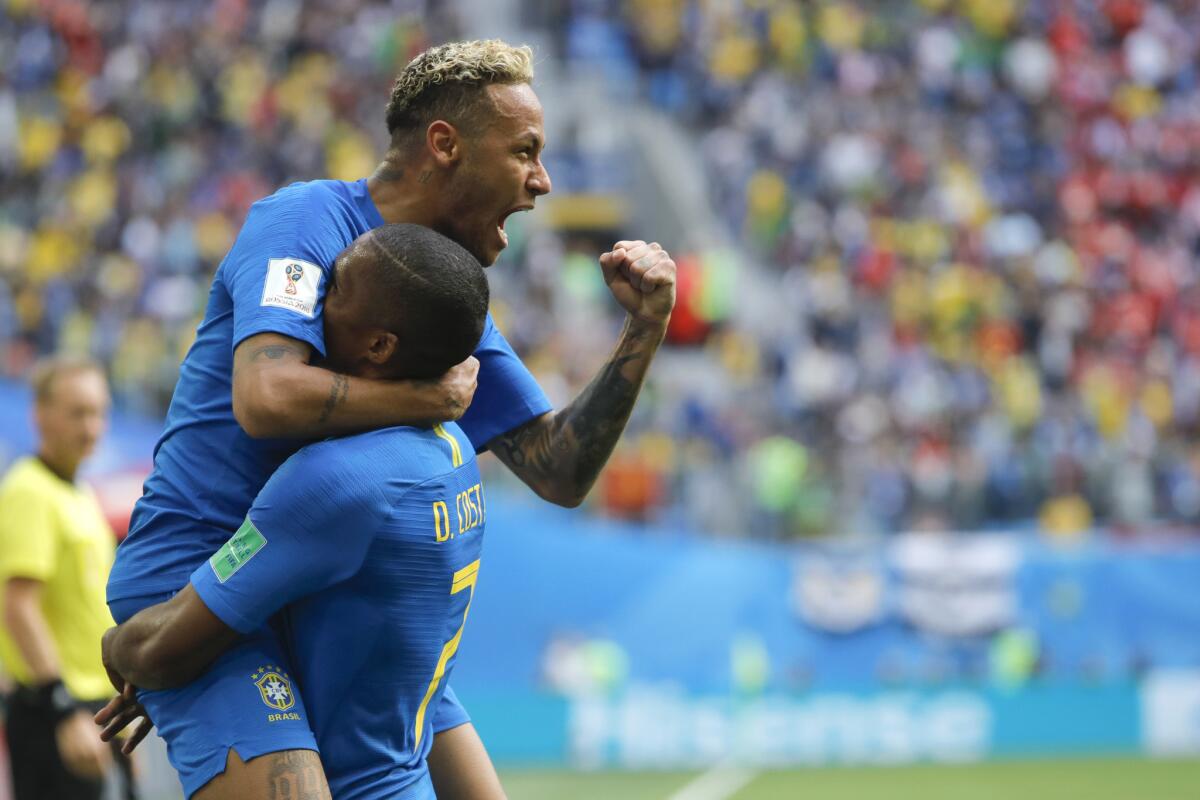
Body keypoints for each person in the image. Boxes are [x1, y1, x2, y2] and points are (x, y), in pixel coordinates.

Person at [102, 38, 676, 800]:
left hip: (328, 593)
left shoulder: (436, 295)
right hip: (202, 577)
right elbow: (266, 398)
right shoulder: (304, 224)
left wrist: (642, 331)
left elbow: (558, 468)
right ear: (446, 145)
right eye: (525, 152)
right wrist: (421, 401)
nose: (542, 182)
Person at [102, 223, 498, 800]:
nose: (313, 302)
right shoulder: (455, 453)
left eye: (336, 290)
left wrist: (116, 650)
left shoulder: (335, 481)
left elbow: (163, 647)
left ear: (380, 346)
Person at [0, 357, 135, 800]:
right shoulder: (29, 490)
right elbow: (18, 605)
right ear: (40, 414)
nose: (92, 426)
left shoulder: (76, 491)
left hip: (94, 707)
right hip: (55, 709)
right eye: (77, 412)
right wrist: (63, 711)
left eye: (99, 411)